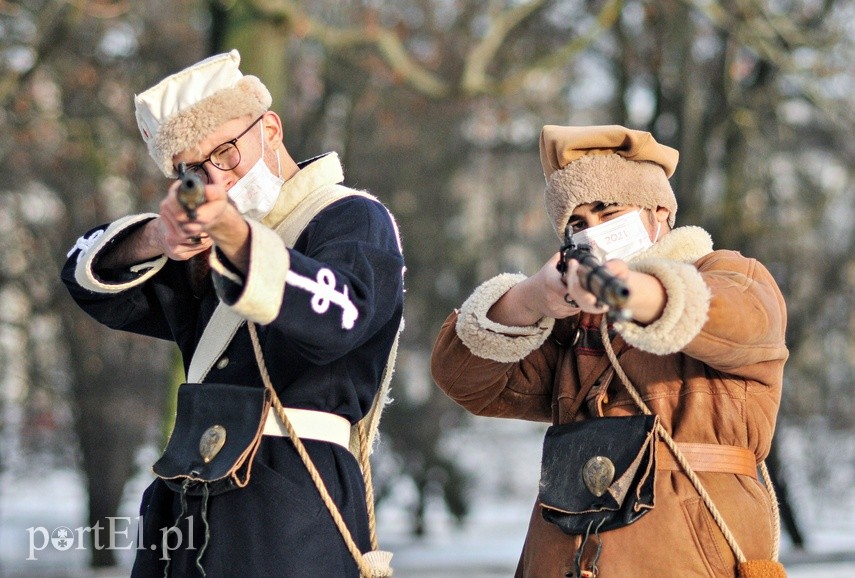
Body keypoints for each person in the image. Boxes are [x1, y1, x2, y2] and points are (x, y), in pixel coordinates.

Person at [62, 50, 404, 577]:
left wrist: (237, 240)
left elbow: (341, 317)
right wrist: (160, 234)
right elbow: (90, 282)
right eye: (192, 171)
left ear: (269, 127)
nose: (215, 177)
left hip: (292, 492)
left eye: (225, 152)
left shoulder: (352, 215)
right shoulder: (197, 251)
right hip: (188, 491)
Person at [431, 125, 788, 577]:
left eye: (609, 212)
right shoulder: (570, 324)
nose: (593, 232)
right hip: (562, 554)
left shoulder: (731, 273)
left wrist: (632, 293)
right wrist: (529, 300)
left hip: (686, 554)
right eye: (577, 224)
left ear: (658, 214)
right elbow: (461, 376)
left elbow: (741, 318)